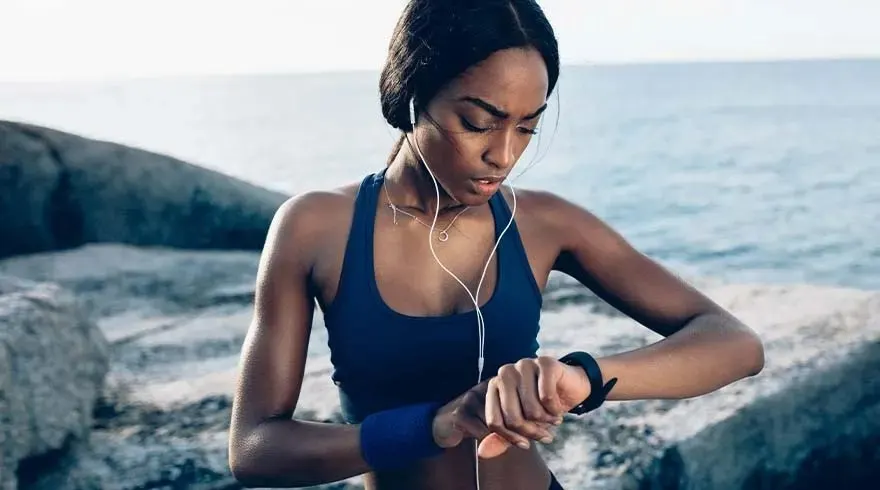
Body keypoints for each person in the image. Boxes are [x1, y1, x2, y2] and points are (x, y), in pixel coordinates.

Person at [227, 1, 765, 489]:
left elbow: (735, 345)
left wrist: (581, 378)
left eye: (526, 128)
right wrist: (433, 426)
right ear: (411, 93)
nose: (503, 156)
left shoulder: (545, 224)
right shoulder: (315, 227)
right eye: (478, 123)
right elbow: (255, 451)